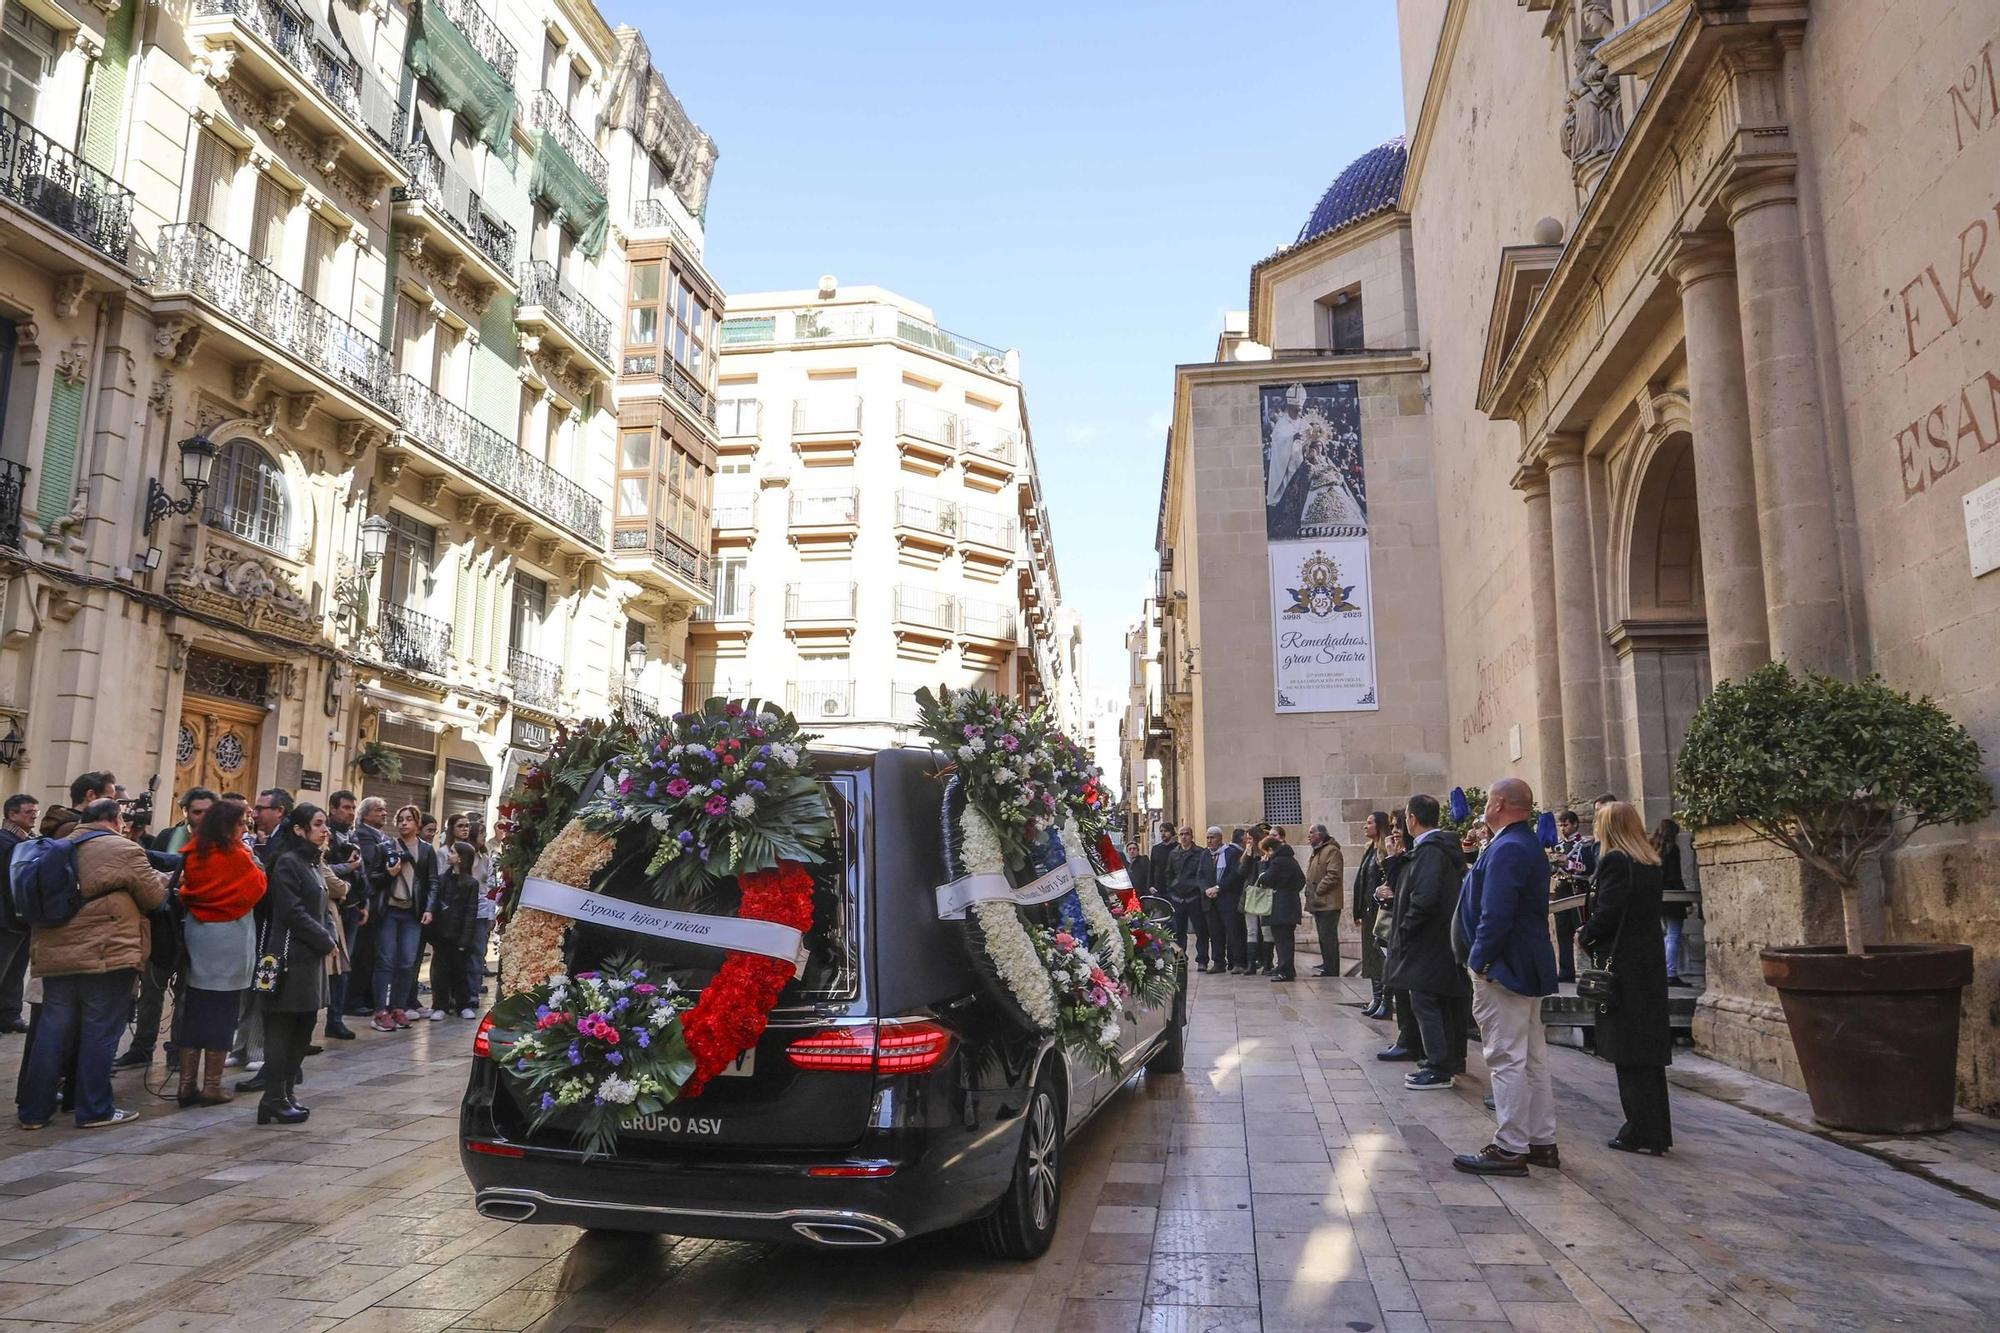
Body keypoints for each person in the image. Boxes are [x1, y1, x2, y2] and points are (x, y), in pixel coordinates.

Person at [18, 798, 168, 1130]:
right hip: (106, 955)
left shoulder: (58, 845)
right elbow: (155, 900)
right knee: (99, 1032)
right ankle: (95, 1109)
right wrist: (164, 882)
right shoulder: (124, 849)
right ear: (115, 820)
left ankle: (33, 1112)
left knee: (52, 1032)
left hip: (56, 955)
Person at [1454, 778, 1560, 1177]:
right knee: (1530, 1057)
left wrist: (1479, 961)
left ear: (1498, 803)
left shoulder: (1510, 847)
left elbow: (1495, 913)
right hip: (1520, 963)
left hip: (1506, 968)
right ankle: (1540, 1141)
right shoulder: (1520, 843)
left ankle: (1510, 1146)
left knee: (1505, 1058)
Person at [1581, 802, 1675, 1154]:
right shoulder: (1649, 863)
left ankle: (1638, 1128)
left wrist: (1586, 934)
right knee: (1647, 1054)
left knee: (1628, 1051)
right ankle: (1656, 1130)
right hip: (1647, 966)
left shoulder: (1616, 862)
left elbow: (1607, 912)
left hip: (1623, 968)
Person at [172, 797, 264, 1106]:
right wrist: (252, 858)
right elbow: (257, 887)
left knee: (195, 1012)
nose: (245, 828)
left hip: (199, 936)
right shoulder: (236, 855)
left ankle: (186, 1083)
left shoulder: (195, 851)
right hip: (228, 940)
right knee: (223, 1014)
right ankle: (211, 1085)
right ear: (229, 825)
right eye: (241, 823)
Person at [254, 804, 338, 1124]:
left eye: (325, 824)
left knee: (303, 1028)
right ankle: (273, 1096)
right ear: (300, 829)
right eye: (318, 824)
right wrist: (324, 939)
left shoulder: (313, 862)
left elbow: (323, 908)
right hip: (288, 958)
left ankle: (286, 1092)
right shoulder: (289, 863)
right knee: (282, 1029)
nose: (324, 829)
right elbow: (291, 911)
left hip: (309, 958)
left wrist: (330, 935)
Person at [1384, 795, 1471, 1090]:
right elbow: (1406, 886)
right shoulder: (1430, 850)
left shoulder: (1431, 852)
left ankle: (1438, 1066)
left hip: (1428, 941)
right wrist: (1394, 862)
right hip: (1436, 940)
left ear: (1412, 819)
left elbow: (1424, 898)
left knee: (1425, 1000)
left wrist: (1406, 930)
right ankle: (1443, 1061)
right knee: (1436, 999)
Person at [373, 805, 438, 1032]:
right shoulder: (385, 847)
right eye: (400, 819)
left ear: (417, 824)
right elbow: (372, 878)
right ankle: (380, 1011)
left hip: (412, 913)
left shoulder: (427, 850)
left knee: (407, 962)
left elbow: (432, 882)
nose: (403, 823)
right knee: (386, 960)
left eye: (409, 819)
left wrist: (429, 908)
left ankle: (398, 1007)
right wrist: (388, 875)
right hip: (389, 911)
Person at [1374, 820, 1426, 1062]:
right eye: (1392, 825)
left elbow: (1403, 889)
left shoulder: (1415, 856)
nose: (1394, 830)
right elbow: (1392, 887)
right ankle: (1407, 1039)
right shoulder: (1403, 856)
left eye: (1398, 825)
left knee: (1409, 992)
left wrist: (1392, 861)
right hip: (1399, 930)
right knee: (1400, 988)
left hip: (1408, 932)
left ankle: (1412, 1042)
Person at [342, 796, 393, 1018]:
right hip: (368, 901)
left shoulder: (381, 836)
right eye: (378, 810)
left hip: (378, 902)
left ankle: (367, 996)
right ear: (366, 815)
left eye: (384, 810)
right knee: (362, 953)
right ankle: (354, 998)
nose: (384, 813)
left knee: (372, 953)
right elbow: (370, 870)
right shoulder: (363, 836)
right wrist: (389, 875)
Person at [425, 839, 480, 1018]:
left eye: (453, 852)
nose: (450, 855)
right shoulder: (441, 880)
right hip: (442, 933)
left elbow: (471, 913)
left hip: (459, 935)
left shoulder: (471, 884)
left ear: (461, 858)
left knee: (460, 970)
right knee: (440, 970)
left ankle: (462, 1004)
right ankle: (440, 1005)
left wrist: (465, 939)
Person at [0, 793, 39, 1034]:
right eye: (28, 812)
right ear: (12, 814)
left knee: (16, 969)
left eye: (35, 812)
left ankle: (9, 1014)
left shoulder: (26, 841)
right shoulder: (5, 841)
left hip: (21, 918)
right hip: (6, 918)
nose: (34, 816)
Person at [1551, 809, 1598, 984]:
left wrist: (1568, 863)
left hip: (1578, 889)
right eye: (1561, 825)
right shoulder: (1557, 846)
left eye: (1566, 824)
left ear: (1575, 824)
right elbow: (1554, 870)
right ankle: (1565, 972)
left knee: (1584, 930)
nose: (1563, 828)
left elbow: (1589, 867)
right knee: (1562, 932)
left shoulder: (1585, 844)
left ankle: (1595, 969)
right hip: (1562, 889)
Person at [1352, 812, 1390, 1014]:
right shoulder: (1369, 850)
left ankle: (1385, 1000)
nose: (1364, 826)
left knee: (1381, 956)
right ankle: (1376, 998)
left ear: (1380, 826)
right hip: (1368, 911)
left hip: (1380, 911)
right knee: (1371, 957)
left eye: (1369, 823)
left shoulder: (1384, 851)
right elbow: (1361, 883)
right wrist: (1358, 911)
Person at [1254, 834, 1304, 982]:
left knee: (1283, 940)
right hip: (1290, 904)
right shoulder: (1290, 860)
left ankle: (1285, 970)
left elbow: (1265, 879)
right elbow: (1301, 880)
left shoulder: (1278, 862)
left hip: (1281, 907)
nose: (1265, 855)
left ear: (1270, 849)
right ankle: (1284, 967)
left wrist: (1263, 866)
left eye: (1266, 852)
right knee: (1284, 939)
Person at [1304, 823, 1345, 978]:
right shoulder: (1317, 852)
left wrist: (1318, 890)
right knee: (1323, 937)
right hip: (1319, 902)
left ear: (1320, 835)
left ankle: (1332, 968)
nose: (1308, 836)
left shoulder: (1332, 851)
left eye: (1311, 833)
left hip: (1328, 902)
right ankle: (1327, 964)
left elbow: (1333, 874)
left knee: (1328, 937)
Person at [1163, 826, 1209, 964]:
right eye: (1181, 834)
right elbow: (1168, 874)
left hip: (1194, 897)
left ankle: (1202, 960)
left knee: (1201, 930)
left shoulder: (1200, 853)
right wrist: (1171, 890)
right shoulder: (1173, 854)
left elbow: (1204, 874)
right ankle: (1180, 958)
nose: (1184, 837)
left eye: (1187, 834)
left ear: (1192, 836)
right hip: (1178, 897)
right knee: (1178, 931)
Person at [1655, 817, 1690, 987]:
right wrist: (1687, 902)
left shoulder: (1652, 847)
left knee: (1666, 935)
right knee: (1674, 935)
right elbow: (1676, 876)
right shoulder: (1672, 849)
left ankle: (1663, 970)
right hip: (1673, 897)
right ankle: (1671, 972)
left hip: (1659, 897)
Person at [1239, 830, 1269, 974]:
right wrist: (1247, 856)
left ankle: (1266, 962)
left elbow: (1264, 874)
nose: (1248, 841)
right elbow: (1241, 872)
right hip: (1250, 895)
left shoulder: (1265, 855)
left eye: (1250, 838)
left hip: (1263, 895)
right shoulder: (1247, 855)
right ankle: (1251, 964)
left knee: (1265, 931)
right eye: (1246, 839)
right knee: (1251, 930)